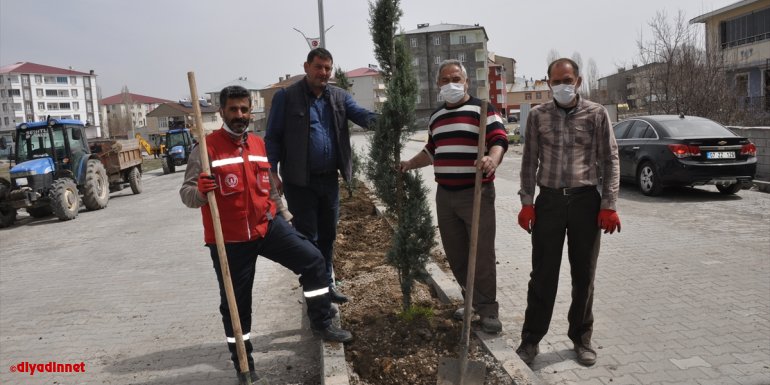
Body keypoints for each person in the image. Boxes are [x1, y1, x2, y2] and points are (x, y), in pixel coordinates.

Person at [180, 85, 353, 384]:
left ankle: (322, 322)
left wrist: (285, 216)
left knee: (313, 259)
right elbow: (186, 193)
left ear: (250, 112)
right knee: (236, 305)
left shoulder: (259, 145)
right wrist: (200, 191)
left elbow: (269, 187)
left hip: (267, 226)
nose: (239, 115)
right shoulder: (205, 150)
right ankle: (243, 363)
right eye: (233, 110)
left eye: (244, 110)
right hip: (230, 239)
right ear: (222, 111)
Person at [515, 58, 621, 367]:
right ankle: (531, 339)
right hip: (548, 202)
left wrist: (608, 205)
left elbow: (610, 160)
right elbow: (529, 160)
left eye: (569, 79)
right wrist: (526, 201)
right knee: (543, 275)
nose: (564, 84)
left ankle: (581, 337)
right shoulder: (537, 116)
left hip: (585, 202)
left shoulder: (596, 114)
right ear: (548, 82)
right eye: (557, 80)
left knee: (584, 275)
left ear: (578, 80)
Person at [399, 59, 508, 334]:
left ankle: (488, 311)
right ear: (438, 84)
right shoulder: (436, 117)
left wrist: (492, 159)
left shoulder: (482, 109)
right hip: (445, 195)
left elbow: (499, 140)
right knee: (456, 253)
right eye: (445, 80)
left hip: (476, 193)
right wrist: (409, 164)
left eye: (456, 79)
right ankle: (470, 301)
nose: (451, 84)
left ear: (467, 81)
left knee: (480, 253)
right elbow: (431, 151)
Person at [265, 47, 377, 304]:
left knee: (328, 236)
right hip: (299, 182)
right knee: (308, 240)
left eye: (328, 68)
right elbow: (272, 138)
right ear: (306, 67)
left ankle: (326, 285)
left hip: (329, 181)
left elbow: (362, 116)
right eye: (319, 67)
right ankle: (315, 295)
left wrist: (388, 120)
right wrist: (272, 172)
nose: (323, 73)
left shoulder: (338, 97)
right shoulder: (287, 97)